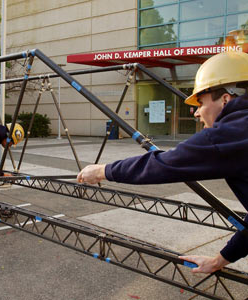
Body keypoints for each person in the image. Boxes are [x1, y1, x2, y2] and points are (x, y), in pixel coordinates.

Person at [77, 51, 248, 274]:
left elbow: (165, 164)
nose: (197, 113)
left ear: (225, 98)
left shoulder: (234, 131)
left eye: (201, 102)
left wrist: (103, 171)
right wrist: (219, 261)